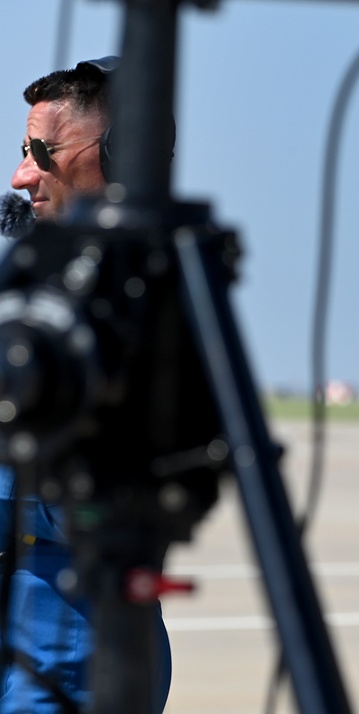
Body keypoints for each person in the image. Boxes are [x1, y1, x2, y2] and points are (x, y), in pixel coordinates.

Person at [1, 57, 171, 713]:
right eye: (22, 153)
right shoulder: (32, 284)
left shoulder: (139, 305)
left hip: (68, 661)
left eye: (43, 154)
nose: (20, 177)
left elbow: (95, 504)